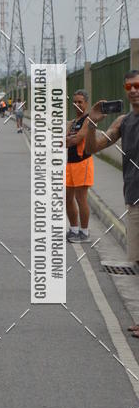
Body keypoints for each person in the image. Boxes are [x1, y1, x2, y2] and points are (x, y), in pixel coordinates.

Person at [85, 70, 139, 334]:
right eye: (128, 86)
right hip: (134, 198)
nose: (133, 90)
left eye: (137, 85)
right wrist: (92, 123)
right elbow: (93, 148)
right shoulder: (123, 122)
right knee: (137, 259)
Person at [65, 89, 94, 243]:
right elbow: (65, 139)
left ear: (86, 104)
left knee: (80, 198)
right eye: (74, 102)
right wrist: (68, 139)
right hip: (70, 163)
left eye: (80, 102)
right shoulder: (73, 121)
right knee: (68, 198)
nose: (76, 105)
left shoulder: (88, 120)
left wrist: (69, 139)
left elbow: (78, 139)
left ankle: (84, 232)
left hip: (83, 162)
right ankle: (74, 229)